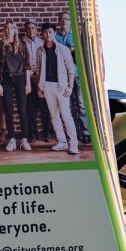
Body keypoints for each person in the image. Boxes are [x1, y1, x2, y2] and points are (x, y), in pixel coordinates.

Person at [35, 23, 80, 156]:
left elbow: (71, 69)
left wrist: (70, 86)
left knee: (66, 115)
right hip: (47, 86)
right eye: (45, 32)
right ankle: (62, 141)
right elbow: (38, 70)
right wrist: (39, 88)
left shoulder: (63, 49)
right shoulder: (40, 51)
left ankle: (73, 144)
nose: (47, 35)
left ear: (54, 33)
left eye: (50, 32)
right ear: (42, 34)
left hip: (62, 87)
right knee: (54, 116)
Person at [0, 21, 31, 153]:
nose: (9, 30)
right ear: (4, 30)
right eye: (7, 28)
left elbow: (27, 65)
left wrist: (28, 83)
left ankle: (24, 140)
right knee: (8, 111)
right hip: (6, 79)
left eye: (12, 28)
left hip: (20, 78)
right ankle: (12, 140)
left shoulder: (22, 44)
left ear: (15, 30)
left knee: (23, 110)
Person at [55, 11, 90, 144]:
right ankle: (73, 134)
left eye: (67, 19)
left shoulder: (75, 36)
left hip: (77, 76)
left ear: (70, 22)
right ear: (59, 21)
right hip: (62, 78)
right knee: (67, 108)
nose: (65, 21)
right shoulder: (55, 37)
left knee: (81, 105)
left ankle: (85, 133)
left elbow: (82, 53)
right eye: (62, 19)